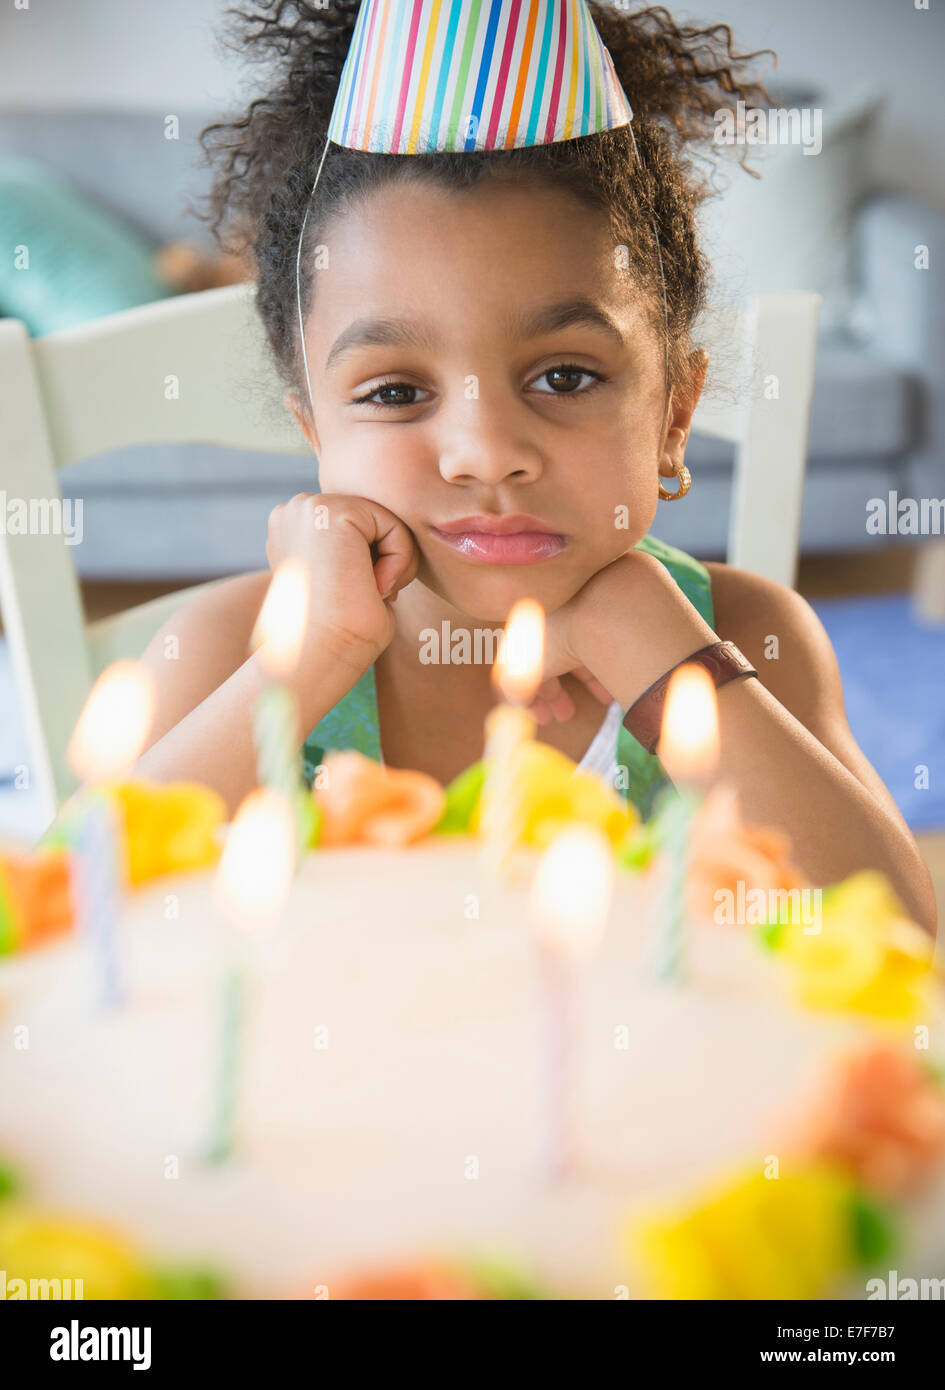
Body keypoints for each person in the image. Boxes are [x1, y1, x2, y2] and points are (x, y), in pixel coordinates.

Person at [132, 1, 936, 934]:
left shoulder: (748, 636)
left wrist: (665, 662)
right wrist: (307, 661)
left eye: (563, 375)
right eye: (394, 391)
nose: (486, 452)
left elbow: (898, 950)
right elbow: (75, 912)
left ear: (673, 413)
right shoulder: (236, 645)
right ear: (316, 433)